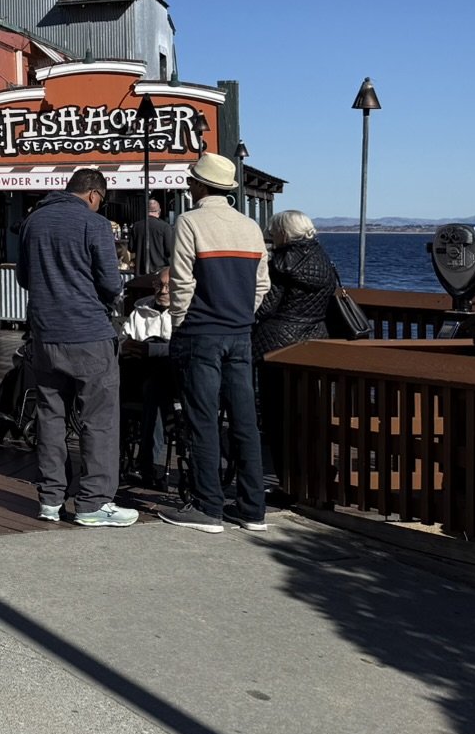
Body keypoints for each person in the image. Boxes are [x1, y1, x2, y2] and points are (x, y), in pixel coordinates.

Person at [16, 168, 138, 527]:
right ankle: (93, 502)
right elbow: (111, 282)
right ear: (93, 195)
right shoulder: (94, 224)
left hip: (44, 334)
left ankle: (51, 500)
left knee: (50, 417)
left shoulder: (32, 222)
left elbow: (24, 278)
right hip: (88, 334)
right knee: (97, 420)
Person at [162, 152, 271, 534]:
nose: (189, 185)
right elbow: (262, 284)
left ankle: (208, 507)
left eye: (192, 180)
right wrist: (242, 313)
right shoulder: (251, 227)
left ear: (200, 185)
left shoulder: (190, 222)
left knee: (202, 419)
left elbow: (182, 282)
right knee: (244, 422)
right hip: (240, 333)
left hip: (201, 333)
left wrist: (180, 324)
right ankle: (252, 509)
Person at [254, 210, 338, 361]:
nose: (272, 238)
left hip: (277, 339)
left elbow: (265, 309)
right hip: (316, 333)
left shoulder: (282, 265)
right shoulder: (323, 258)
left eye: (273, 233)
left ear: (284, 234)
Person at [130, 197, 174, 277]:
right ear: (159, 211)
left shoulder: (136, 226)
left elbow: (131, 248)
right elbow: (169, 250)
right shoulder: (165, 227)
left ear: (145, 211)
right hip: (160, 272)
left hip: (140, 272)